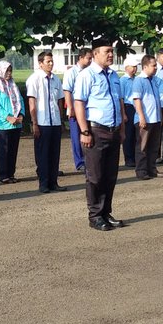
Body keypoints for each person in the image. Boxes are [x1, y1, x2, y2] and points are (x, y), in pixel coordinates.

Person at [73, 39, 125, 231]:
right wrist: (84, 131)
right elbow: (79, 103)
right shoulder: (87, 76)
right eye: (107, 51)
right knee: (95, 175)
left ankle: (105, 212)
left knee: (110, 175)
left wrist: (123, 129)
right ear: (95, 54)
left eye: (112, 51)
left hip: (114, 129)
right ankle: (95, 215)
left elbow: (119, 102)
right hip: (96, 131)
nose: (111, 54)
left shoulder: (113, 75)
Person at [25, 51, 67, 193]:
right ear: (40, 63)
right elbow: (32, 102)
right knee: (42, 154)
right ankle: (43, 183)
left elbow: (60, 100)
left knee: (55, 153)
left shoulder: (56, 80)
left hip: (54, 121)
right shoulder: (34, 79)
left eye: (51, 61)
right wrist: (34, 123)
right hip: (42, 122)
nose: (50, 64)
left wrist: (60, 120)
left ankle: (53, 182)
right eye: (48, 61)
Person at [0, 59, 24, 184]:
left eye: (10, 70)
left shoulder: (13, 85)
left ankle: (11, 173)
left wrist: (21, 115)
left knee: (13, 150)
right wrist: (8, 117)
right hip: (3, 124)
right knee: (4, 150)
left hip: (16, 123)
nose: (9, 73)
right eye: (6, 70)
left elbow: (20, 101)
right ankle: (3, 175)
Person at [131, 54, 163, 180]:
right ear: (145, 66)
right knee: (142, 147)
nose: (156, 68)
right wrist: (141, 117)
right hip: (145, 119)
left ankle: (152, 169)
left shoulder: (153, 80)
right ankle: (141, 171)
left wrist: (160, 116)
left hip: (155, 118)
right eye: (154, 65)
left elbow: (156, 99)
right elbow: (137, 100)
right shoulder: (139, 81)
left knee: (154, 146)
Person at [62, 48, 93, 172]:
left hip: (88, 110)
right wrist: (70, 108)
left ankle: (89, 160)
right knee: (76, 136)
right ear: (80, 58)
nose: (90, 61)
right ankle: (79, 162)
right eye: (88, 58)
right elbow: (67, 91)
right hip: (75, 109)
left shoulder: (90, 72)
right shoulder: (71, 73)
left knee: (88, 134)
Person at [120, 62, 138, 168]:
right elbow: (121, 97)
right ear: (127, 67)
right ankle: (129, 158)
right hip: (128, 107)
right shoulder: (122, 80)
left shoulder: (137, 79)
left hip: (137, 107)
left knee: (136, 134)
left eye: (136, 67)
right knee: (128, 134)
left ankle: (136, 157)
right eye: (133, 66)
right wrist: (123, 114)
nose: (135, 69)